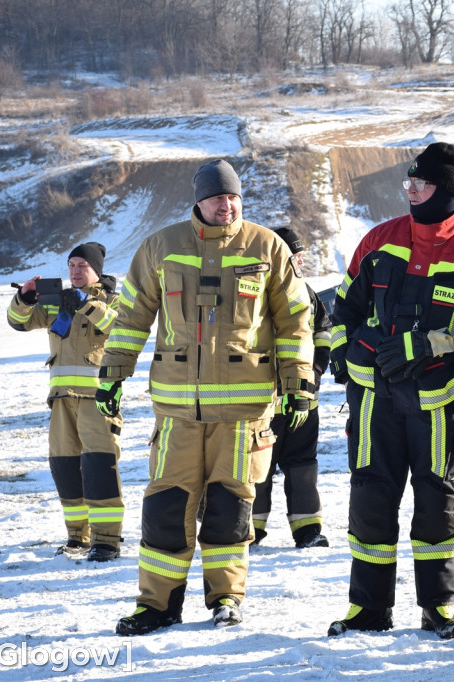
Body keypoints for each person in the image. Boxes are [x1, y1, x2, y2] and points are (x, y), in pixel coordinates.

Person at [98, 159, 315, 635]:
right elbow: (132, 316)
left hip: (244, 413)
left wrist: (299, 382)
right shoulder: (161, 246)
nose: (227, 204)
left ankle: (226, 599)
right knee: (165, 507)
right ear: (199, 199)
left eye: (234, 196)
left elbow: (296, 320)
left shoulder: (267, 246)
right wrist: (111, 375)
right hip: (177, 410)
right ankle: (156, 605)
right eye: (218, 196)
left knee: (229, 508)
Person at [327, 142, 454, 640]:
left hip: (436, 408)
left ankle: (438, 607)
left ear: (447, 190)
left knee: (436, 506)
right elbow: (343, 309)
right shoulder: (379, 240)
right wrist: (344, 354)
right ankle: (367, 609)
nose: (411, 192)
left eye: (421, 185)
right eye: (408, 184)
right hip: (372, 403)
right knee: (369, 500)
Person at [7, 243, 124, 563]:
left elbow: (121, 327)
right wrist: (26, 298)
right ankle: (78, 536)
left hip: (96, 401)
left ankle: (107, 540)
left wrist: (86, 303)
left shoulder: (113, 299)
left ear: (96, 270)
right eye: (71, 264)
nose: (74, 271)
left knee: (99, 468)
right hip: (60, 400)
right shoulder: (57, 301)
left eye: (82, 265)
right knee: (65, 468)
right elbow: (20, 321)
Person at [251, 226, 333, 549]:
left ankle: (308, 531)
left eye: (301, 256)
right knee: (259, 470)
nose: (299, 262)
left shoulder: (309, 294)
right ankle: (250, 532)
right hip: (264, 405)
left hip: (303, 404)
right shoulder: (256, 295)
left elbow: (325, 333)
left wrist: (314, 372)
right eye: (293, 256)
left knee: (303, 469)